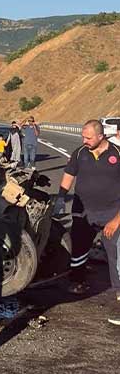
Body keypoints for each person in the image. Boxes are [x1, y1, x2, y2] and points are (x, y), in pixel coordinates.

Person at [57, 120, 120, 319]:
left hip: (111, 213)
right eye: (83, 137)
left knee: (115, 252)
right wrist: (60, 197)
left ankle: (118, 291)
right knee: (79, 248)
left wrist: (117, 219)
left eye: (88, 137)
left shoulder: (117, 154)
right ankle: (77, 281)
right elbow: (69, 174)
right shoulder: (79, 153)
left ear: (101, 136)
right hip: (83, 212)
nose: (84, 140)